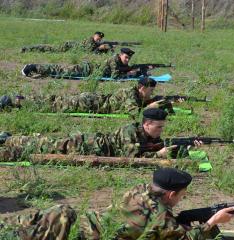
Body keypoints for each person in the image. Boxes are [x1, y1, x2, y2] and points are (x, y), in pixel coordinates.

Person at [0, 168, 234, 240]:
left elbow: (161, 213)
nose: (182, 198)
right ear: (171, 194)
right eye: (181, 195)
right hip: (65, 232)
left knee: (6, 225)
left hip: (64, 215)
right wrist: (213, 222)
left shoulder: (140, 190)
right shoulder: (159, 219)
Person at [0, 108, 198, 162]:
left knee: (43, 142)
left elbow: (160, 145)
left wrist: (185, 146)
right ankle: (7, 139)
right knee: (42, 144)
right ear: (147, 124)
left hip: (89, 143)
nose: (161, 131)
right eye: (159, 127)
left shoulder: (147, 135)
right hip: (82, 145)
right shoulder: (129, 130)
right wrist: (158, 155)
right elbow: (132, 156)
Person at [1, 77, 174, 118]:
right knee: (56, 105)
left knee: (56, 100)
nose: (150, 94)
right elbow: (134, 113)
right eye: (149, 91)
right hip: (89, 104)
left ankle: (21, 99)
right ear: (142, 88)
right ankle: (16, 102)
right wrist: (152, 107)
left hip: (91, 99)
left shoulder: (135, 92)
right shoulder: (131, 94)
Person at [21, 48, 150, 79]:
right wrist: (132, 74)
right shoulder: (114, 60)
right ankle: (33, 67)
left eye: (128, 58)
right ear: (121, 54)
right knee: (60, 70)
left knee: (60, 69)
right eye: (126, 57)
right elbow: (115, 76)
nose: (127, 60)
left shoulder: (121, 62)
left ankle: (36, 68)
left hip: (89, 69)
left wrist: (137, 71)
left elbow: (125, 69)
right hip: (86, 69)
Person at [20, 31, 112, 54]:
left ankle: (28, 48)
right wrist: (100, 48)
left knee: (49, 48)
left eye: (100, 39)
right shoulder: (90, 40)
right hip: (68, 46)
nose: (99, 39)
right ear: (94, 35)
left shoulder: (94, 42)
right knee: (49, 48)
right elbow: (89, 51)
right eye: (98, 37)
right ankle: (27, 49)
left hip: (70, 47)